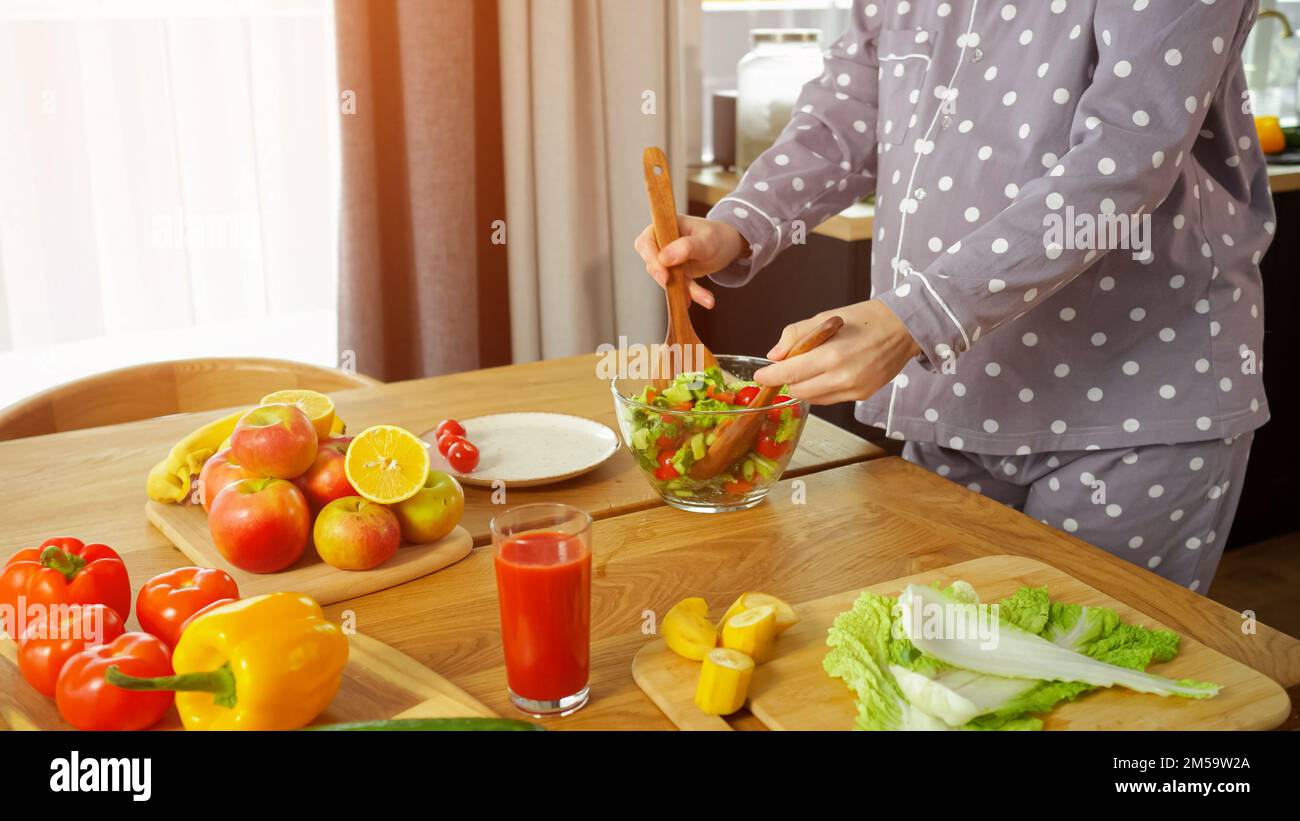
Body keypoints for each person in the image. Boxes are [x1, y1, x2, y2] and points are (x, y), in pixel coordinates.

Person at [635, 0, 1273, 592]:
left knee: (1106, 690)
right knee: (942, 672)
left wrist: (911, 320)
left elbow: (1121, 163)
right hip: (956, 391)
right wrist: (739, 225)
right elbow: (845, 114)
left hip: (1135, 401)